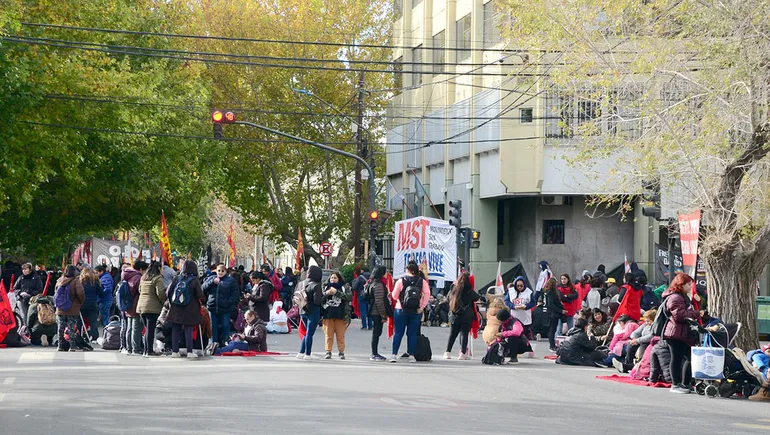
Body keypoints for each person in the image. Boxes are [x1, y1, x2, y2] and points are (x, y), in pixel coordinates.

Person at [661, 273, 699, 394]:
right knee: (677, 359)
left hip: (683, 333)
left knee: (689, 358)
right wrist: (697, 314)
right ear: (680, 285)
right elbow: (679, 315)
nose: (690, 287)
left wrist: (698, 306)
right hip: (675, 333)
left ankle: (685, 383)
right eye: (688, 285)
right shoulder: (675, 297)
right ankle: (676, 384)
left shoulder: (682, 296)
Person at [390, 261, 430, 363]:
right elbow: (427, 293)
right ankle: (411, 355)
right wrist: (422, 306)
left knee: (398, 333)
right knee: (412, 334)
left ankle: (394, 355)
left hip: (401, 310)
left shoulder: (401, 281)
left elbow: (394, 296)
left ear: (408, 270)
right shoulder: (422, 281)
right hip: (416, 311)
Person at [166, 260, 205, 358]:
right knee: (188, 329)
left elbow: (169, 292)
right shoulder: (194, 280)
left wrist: (173, 303)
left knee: (176, 328)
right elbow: (200, 295)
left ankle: (175, 351)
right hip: (190, 309)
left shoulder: (176, 278)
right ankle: (189, 352)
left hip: (176, 308)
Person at [202, 263, 240, 353]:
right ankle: (213, 344)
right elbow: (202, 288)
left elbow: (235, 294)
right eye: (219, 271)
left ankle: (225, 344)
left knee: (225, 326)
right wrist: (212, 282)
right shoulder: (211, 278)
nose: (220, 273)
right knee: (213, 326)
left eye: (222, 271)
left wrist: (228, 303)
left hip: (225, 308)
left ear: (225, 271)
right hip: (212, 306)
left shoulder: (231, 281)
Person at [444, 272, 480, 360]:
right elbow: (477, 297)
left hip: (454, 315)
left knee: (452, 334)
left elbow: (448, 298)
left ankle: (447, 352)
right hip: (466, 315)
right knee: (464, 334)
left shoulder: (453, 288)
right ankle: (462, 353)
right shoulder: (469, 289)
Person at [136, 261, 166, 357]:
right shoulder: (158, 278)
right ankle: (149, 350)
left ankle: (146, 350)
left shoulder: (143, 278)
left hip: (141, 306)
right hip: (152, 307)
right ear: (158, 268)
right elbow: (160, 293)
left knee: (147, 329)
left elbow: (139, 290)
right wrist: (163, 302)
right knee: (150, 330)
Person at [55, 265, 86, 352]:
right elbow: (81, 293)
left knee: (60, 327)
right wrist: (79, 302)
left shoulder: (60, 280)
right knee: (71, 327)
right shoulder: (75, 281)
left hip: (60, 308)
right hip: (72, 307)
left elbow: (56, 294)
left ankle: (60, 345)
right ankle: (72, 346)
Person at [121, 260, 148, 356]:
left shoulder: (127, 275)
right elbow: (140, 290)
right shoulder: (138, 277)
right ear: (141, 269)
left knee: (129, 328)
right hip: (136, 304)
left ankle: (129, 348)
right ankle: (135, 349)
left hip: (128, 304)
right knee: (136, 328)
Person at [298, 265, 324, 360]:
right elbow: (317, 301)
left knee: (306, 332)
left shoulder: (301, 283)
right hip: (313, 310)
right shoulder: (316, 285)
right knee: (310, 333)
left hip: (302, 309)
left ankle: (301, 352)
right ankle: (307, 354)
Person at [322, 271, 350, 359]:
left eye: (335, 278)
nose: (333, 280)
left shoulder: (344, 287)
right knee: (328, 335)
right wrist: (327, 293)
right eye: (332, 278)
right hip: (328, 314)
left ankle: (341, 352)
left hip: (341, 314)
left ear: (339, 279)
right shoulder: (325, 287)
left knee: (340, 335)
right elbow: (320, 298)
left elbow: (349, 297)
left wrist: (337, 292)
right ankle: (328, 351)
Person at [367, 266, 391, 361]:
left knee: (376, 333)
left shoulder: (373, 283)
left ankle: (374, 353)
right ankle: (374, 353)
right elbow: (379, 302)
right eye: (385, 272)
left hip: (374, 311)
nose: (387, 274)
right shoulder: (379, 285)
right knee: (376, 333)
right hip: (376, 312)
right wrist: (383, 316)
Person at [540, 277, 567, 352]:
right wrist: (561, 311)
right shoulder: (551, 293)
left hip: (546, 312)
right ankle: (552, 346)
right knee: (552, 330)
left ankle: (552, 345)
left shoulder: (544, 291)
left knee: (551, 330)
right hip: (552, 314)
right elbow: (551, 304)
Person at [79, 267, 102, 342]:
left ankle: (79, 335)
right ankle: (95, 338)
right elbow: (100, 291)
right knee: (93, 321)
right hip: (92, 303)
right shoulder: (95, 280)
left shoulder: (80, 280)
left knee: (79, 321)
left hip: (81, 303)